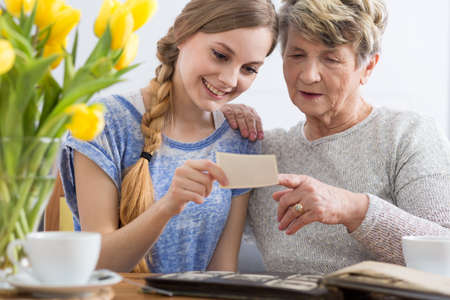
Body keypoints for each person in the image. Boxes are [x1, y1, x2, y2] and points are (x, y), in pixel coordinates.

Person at [222, 0, 450, 274]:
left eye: (331, 59)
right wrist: (210, 118)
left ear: (368, 67)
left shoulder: (406, 136)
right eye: (296, 55)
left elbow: (444, 252)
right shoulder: (262, 148)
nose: (308, 75)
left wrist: (354, 208)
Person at [59, 0, 278, 273]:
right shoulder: (102, 123)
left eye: (249, 69)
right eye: (221, 55)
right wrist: (168, 205)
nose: (230, 80)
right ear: (182, 34)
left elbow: (222, 271)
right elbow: (98, 266)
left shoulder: (240, 139)